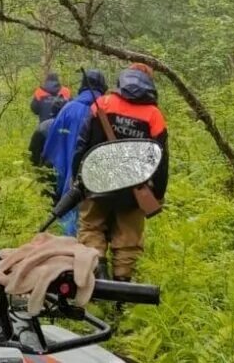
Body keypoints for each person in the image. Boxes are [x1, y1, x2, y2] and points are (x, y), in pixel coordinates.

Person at [71, 63, 169, 281]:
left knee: (91, 228)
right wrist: (158, 193)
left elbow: (81, 145)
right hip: (134, 188)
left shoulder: (102, 103)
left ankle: (97, 279)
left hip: (97, 181)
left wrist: (77, 179)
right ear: (150, 83)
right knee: (128, 241)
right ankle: (121, 295)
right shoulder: (154, 115)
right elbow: (161, 161)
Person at [42, 69, 108, 236]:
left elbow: (52, 144)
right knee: (93, 223)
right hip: (98, 180)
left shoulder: (68, 108)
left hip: (68, 175)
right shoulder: (105, 109)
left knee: (69, 212)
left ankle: (68, 250)